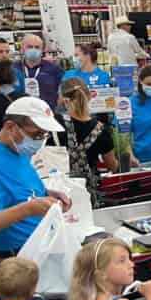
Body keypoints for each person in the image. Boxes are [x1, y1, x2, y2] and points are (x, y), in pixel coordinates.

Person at [0, 97, 68, 269]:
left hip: (35, 248)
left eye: (44, 135)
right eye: (36, 135)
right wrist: (28, 209)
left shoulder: (16, 149)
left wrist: (46, 193)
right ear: (10, 127)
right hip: (15, 260)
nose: (40, 141)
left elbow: (15, 188)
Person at [57, 78, 119, 206]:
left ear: (63, 99)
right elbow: (112, 166)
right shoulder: (101, 130)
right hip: (88, 193)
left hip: (59, 193)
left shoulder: (56, 124)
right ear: (90, 96)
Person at [15, 33, 63, 110]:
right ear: (22, 48)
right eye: (30, 47)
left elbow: (62, 93)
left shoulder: (55, 69)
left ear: (42, 50)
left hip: (47, 114)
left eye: (37, 47)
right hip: (21, 114)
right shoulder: (13, 69)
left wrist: (56, 110)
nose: (33, 49)